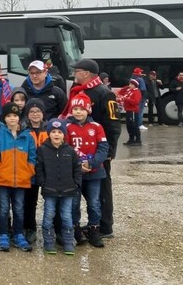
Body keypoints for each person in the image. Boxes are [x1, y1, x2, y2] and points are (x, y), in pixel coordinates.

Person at [66, 58, 120, 239]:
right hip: (78, 150)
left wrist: (110, 152)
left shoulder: (105, 93)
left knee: (101, 190)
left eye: (77, 71)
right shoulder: (78, 91)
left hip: (98, 152)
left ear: (86, 73)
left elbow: (113, 124)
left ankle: (104, 227)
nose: (74, 73)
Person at [0, 102, 36, 252]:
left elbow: (32, 157)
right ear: (4, 118)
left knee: (19, 208)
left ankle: (19, 234)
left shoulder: (27, 137)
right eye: (9, 116)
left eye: (15, 115)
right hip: (3, 179)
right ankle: (3, 234)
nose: (12, 118)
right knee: (2, 208)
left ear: (19, 117)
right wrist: (0, 170)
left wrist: (28, 171)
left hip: (22, 180)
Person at [66, 92, 109, 248]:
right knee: (74, 203)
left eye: (81, 109)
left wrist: (91, 163)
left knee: (94, 203)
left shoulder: (97, 127)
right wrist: (77, 165)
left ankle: (94, 229)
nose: (78, 112)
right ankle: (76, 229)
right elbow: (66, 148)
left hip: (95, 171)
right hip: (75, 173)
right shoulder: (68, 127)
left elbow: (103, 148)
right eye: (75, 108)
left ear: (88, 110)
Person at [36, 119, 81, 255]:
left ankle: (68, 242)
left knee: (67, 216)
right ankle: (49, 242)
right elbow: (39, 169)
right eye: (53, 132)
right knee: (49, 214)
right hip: (50, 190)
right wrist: (42, 182)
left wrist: (76, 183)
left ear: (64, 134)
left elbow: (77, 169)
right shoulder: (43, 150)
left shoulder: (70, 151)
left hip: (68, 190)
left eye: (59, 132)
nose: (56, 135)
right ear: (49, 133)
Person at [22, 98, 48, 244]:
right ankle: (29, 227)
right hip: (29, 171)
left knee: (50, 201)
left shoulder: (49, 128)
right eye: (31, 111)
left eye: (38, 111)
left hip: (46, 171)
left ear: (43, 113)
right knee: (29, 201)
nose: (35, 114)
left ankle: (52, 229)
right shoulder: (24, 129)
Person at [118, 79, 143, 146]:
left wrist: (126, 99)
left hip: (133, 111)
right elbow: (121, 92)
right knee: (129, 126)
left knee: (134, 125)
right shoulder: (129, 90)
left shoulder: (137, 92)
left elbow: (135, 102)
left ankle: (138, 140)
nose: (130, 85)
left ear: (135, 86)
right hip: (128, 110)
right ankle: (131, 139)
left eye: (132, 84)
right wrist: (126, 87)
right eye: (130, 84)